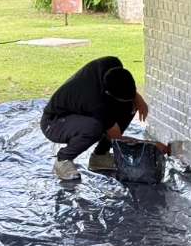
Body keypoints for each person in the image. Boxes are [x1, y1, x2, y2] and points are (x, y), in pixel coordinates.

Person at [40, 56, 169, 181]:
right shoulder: (96, 104)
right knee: (93, 128)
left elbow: (125, 90)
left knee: (130, 106)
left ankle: (100, 157)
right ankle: (62, 160)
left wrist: (137, 97)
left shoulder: (111, 63)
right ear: (108, 93)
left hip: (79, 111)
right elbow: (117, 138)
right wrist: (151, 146)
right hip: (54, 123)